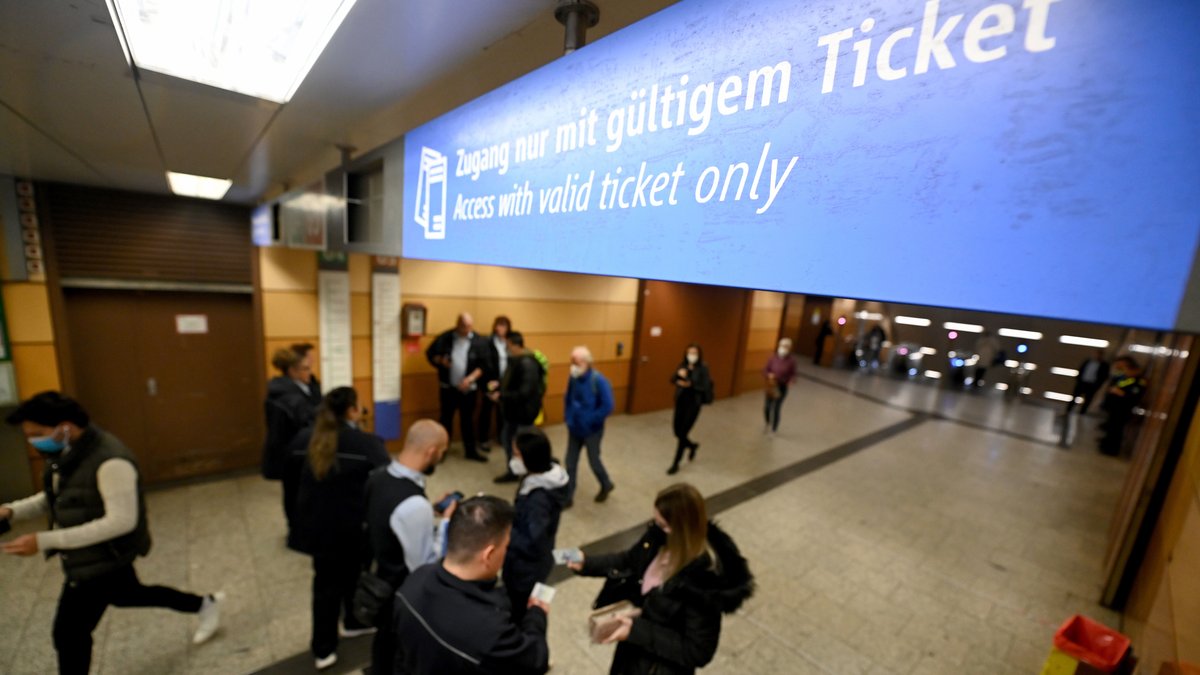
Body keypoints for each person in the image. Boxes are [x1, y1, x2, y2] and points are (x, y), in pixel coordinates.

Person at [1, 392, 223, 675]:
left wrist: (43, 540)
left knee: (69, 634)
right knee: (128, 595)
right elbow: (57, 497)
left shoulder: (110, 461)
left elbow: (120, 522)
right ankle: (205, 604)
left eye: (37, 434)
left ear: (65, 427)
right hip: (92, 555)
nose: (32, 441)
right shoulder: (66, 452)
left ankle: (205, 604)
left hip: (104, 556)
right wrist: (11, 511)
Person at [567, 483, 754, 675]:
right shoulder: (658, 537)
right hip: (631, 656)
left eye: (663, 524)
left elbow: (697, 652)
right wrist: (587, 563)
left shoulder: (704, 583)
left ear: (680, 528)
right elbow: (630, 560)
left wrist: (637, 631)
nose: (656, 527)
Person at [286, 387, 389, 670]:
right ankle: (352, 622)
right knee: (353, 576)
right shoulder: (366, 443)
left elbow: (290, 483)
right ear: (353, 411)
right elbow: (384, 480)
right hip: (354, 528)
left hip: (317, 528)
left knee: (325, 586)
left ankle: (323, 647)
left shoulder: (304, 440)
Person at [394, 495, 550, 674]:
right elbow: (536, 661)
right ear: (488, 555)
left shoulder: (415, 580)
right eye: (505, 546)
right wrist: (537, 615)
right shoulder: (492, 632)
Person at [363, 419, 455, 675]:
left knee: (383, 645)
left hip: (379, 575)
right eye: (442, 451)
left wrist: (427, 515)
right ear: (431, 452)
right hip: (401, 594)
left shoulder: (378, 476)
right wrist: (446, 523)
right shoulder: (414, 505)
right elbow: (425, 564)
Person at [502, 427, 569, 621]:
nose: (512, 459)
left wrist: (504, 533)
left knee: (519, 610)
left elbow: (532, 540)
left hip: (525, 569)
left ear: (529, 458)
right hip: (534, 562)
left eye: (516, 454)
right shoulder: (541, 476)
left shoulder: (538, 501)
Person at [262, 343, 323, 532]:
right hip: (291, 453)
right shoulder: (288, 397)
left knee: (302, 491)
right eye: (306, 368)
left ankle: (303, 526)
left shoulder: (302, 387)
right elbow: (309, 419)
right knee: (295, 492)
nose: (309, 371)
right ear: (292, 371)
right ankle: (296, 531)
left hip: (298, 450)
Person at [426, 313, 490, 462]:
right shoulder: (445, 338)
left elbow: (484, 364)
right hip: (448, 388)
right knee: (445, 420)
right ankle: (442, 451)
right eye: (464, 326)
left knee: (468, 421)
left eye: (469, 326)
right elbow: (430, 354)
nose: (467, 330)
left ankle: (470, 451)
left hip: (469, 389)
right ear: (457, 325)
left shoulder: (479, 341)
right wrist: (441, 361)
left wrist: (470, 379)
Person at [489, 331, 545, 484]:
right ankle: (514, 471)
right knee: (507, 440)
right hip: (512, 412)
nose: (506, 348)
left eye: (507, 345)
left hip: (524, 414)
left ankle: (528, 473)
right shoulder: (515, 360)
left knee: (523, 446)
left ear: (514, 345)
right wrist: (499, 386)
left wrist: (501, 396)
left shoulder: (528, 364)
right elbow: (511, 382)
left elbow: (524, 392)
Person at [563, 345, 616, 507]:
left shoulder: (599, 380)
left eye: (576, 362)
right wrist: (568, 416)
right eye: (572, 361)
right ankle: (568, 496)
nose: (573, 365)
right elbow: (568, 398)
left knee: (594, 461)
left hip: (592, 430)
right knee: (570, 462)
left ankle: (606, 484)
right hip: (574, 428)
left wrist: (590, 419)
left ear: (586, 362)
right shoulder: (573, 377)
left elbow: (608, 406)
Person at [668, 343, 713, 475]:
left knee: (682, 433)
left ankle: (676, 463)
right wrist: (678, 376)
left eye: (694, 353)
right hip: (681, 402)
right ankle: (692, 446)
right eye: (689, 353)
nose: (691, 355)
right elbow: (672, 379)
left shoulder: (703, 368)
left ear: (698, 355)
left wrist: (690, 384)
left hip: (693, 404)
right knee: (676, 431)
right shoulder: (682, 365)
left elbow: (704, 386)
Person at [1098, 356, 1148, 456]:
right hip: (1115, 407)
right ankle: (1106, 445)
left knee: (1117, 430)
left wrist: (1119, 392)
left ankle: (1112, 450)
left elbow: (1134, 396)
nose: (1125, 372)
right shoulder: (1125, 377)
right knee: (1112, 428)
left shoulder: (1139, 381)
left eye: (1127, 369)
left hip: (1123, 409)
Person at [478, 315, 512, 452]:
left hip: (506, 381)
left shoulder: (510, 341)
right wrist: (488, 382)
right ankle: (483, 439)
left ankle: (502, 437)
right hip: (491, 380)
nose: (500, 328)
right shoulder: (488, 341)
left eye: (503, 325)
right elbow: (484, 362)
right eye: (498, 325)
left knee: (502, 412)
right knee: (486, 410)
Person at [762, 338, 796, 433]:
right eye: (782, 346)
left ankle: (774, 428)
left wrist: (791, 381)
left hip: (782, 387)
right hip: (771, 385)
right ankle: (767, 421)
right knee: (767, 407)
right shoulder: (772, 358)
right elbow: (765, 370)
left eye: (786, 347)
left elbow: (793, 374)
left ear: (789, 348)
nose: (783, 348)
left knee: (776, 407)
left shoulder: (791, 361)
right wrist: (768, 375)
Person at [1066, 349, 1110, 415]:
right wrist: (1078, 378)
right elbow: (1081, 369)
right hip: (1082, 382)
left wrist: (1097, 384)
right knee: (1075, 396)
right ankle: (1068, 410)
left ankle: (1082, 413)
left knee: (1087, 399)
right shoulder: (1088, 361)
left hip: (1092, 384)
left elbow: (1104, 376)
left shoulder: (1104, 365)